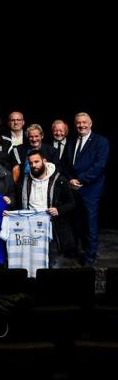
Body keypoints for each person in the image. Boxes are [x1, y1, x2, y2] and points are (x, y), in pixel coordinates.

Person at [18, 150, 77, 268]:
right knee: (32, 263)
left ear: (44, 161)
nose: (34, 165)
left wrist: (58, 210)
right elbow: (18, 202)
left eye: (37, 161)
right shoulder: (25, 180)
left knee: (53, 263)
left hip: (53, 227)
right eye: (31, 163)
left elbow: (71, 203)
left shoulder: (60, 179)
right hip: (30, 227)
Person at [66, 112, 109, 266]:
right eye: (78, 122)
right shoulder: (71, 141)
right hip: (74, 188)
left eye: (84, 122)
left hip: (91, 189)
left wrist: (80, 179)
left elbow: (100, 165)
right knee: (78, 223)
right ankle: (82, 250)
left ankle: (90, 257)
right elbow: (67, 164)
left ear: (91, 124)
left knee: (90, 224)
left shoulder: (101, 141)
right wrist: (71, 179)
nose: (81, 125)